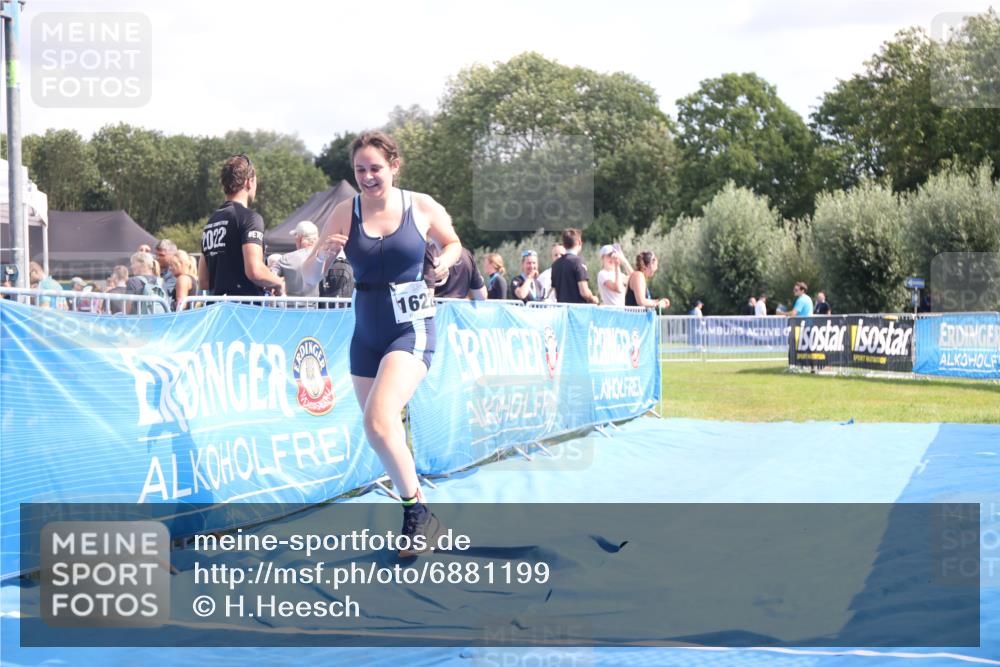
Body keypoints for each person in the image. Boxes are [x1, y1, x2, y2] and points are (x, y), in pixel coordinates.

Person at [303, 131, 461, 556]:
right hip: (366, 333)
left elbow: (453, 243)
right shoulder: (345, 211)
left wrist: (443, 264)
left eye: (375, 168)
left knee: (377, 420)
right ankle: (423, 514)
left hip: (411, 327)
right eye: (360, 170)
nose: (368, 177)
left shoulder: (420, 205)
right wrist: (324, 254)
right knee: (382, 430)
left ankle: (416, 516)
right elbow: (309, 275)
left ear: (394, 166)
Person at [199, 154, 284, 298]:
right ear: (249, 182)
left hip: (217, 307)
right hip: (245, 308)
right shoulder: (250, 218)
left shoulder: (211, 222)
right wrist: (278, 282)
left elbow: (204, 281)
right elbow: (255, 271)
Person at [551, 228, 598, 304]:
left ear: (564, 244)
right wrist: (593, 298)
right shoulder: (578, 262)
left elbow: (556, 292)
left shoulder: (555, 265)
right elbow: (584, 292)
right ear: (579, 242)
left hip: (562, 308)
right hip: (577, 308)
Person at [275, 220, 321, 297]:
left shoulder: (286, 258)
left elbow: (270, 276)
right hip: (323, 304)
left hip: (292, 304)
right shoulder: (327, 257)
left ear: (299, 239)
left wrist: (278, 289)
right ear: (317, 239)